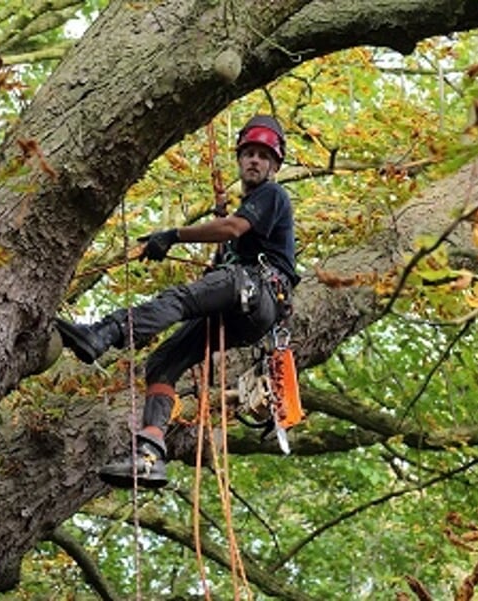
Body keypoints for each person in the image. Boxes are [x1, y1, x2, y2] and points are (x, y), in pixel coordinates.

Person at [56, 114, 299, 489]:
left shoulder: (272, 195)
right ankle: (150, 452)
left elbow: (233, 228)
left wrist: (173, 235)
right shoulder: (242, 223)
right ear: (240, 159)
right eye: (248, 153)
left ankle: (106, 332)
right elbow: (228, 247)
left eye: (262, 156)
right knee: (164, 361)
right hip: (243, 307)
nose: (254, 160)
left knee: (179, 299)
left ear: (274, 165)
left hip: (257, 291)